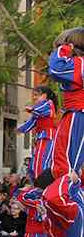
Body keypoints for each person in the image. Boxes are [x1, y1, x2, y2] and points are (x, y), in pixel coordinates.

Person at [42, 28, 84, 186]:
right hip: (73, 114)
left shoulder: (80, 63)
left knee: (67, 164)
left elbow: (55, 69)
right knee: (63, 161)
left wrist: (63, 48)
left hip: (78, 115)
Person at [18, 86, 59, 182]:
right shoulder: (38, 111)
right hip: (41, 137)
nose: (34, 97)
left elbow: (39, 109)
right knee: (35, 160)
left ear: (44, 95)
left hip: (48, 136)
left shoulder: (48, 104)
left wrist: (31, 109)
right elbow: (32, 122)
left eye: (36, 95)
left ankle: (42, 183)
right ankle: (36, 182)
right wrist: (20, 130)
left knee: (42, 160)